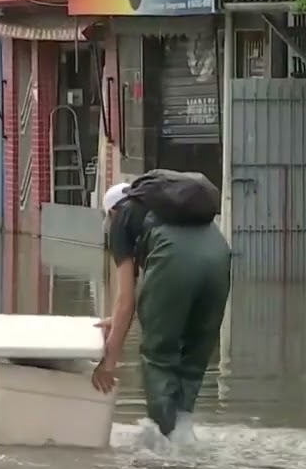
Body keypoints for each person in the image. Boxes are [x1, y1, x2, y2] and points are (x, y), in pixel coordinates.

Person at [91, 180, 231, 443]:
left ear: (112, 211)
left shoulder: (121, 220)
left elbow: (125, 300)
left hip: (174, 260)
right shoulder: (175, 209)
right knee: (195, 353)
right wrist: (117, 318)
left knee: (159, 354)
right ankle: (184, 430)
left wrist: (108, 363)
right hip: (220, 257)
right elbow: (124, 305)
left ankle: (164, 442)